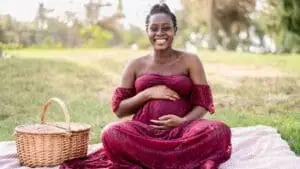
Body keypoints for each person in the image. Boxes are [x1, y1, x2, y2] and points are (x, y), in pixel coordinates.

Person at [60, 3, 231, 169]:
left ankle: (153, 161)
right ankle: (173, 161)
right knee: (110, 133)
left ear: (175, 30)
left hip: (183, 131)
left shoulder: (190, 60)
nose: (160, 33)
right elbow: (120, 110)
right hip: (144, 132)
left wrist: (183, 121)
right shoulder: (135, 65)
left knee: (220, 131)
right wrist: (147, 94)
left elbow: (202, 104)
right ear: (147, 31)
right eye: (154, 28)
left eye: (166, 28)